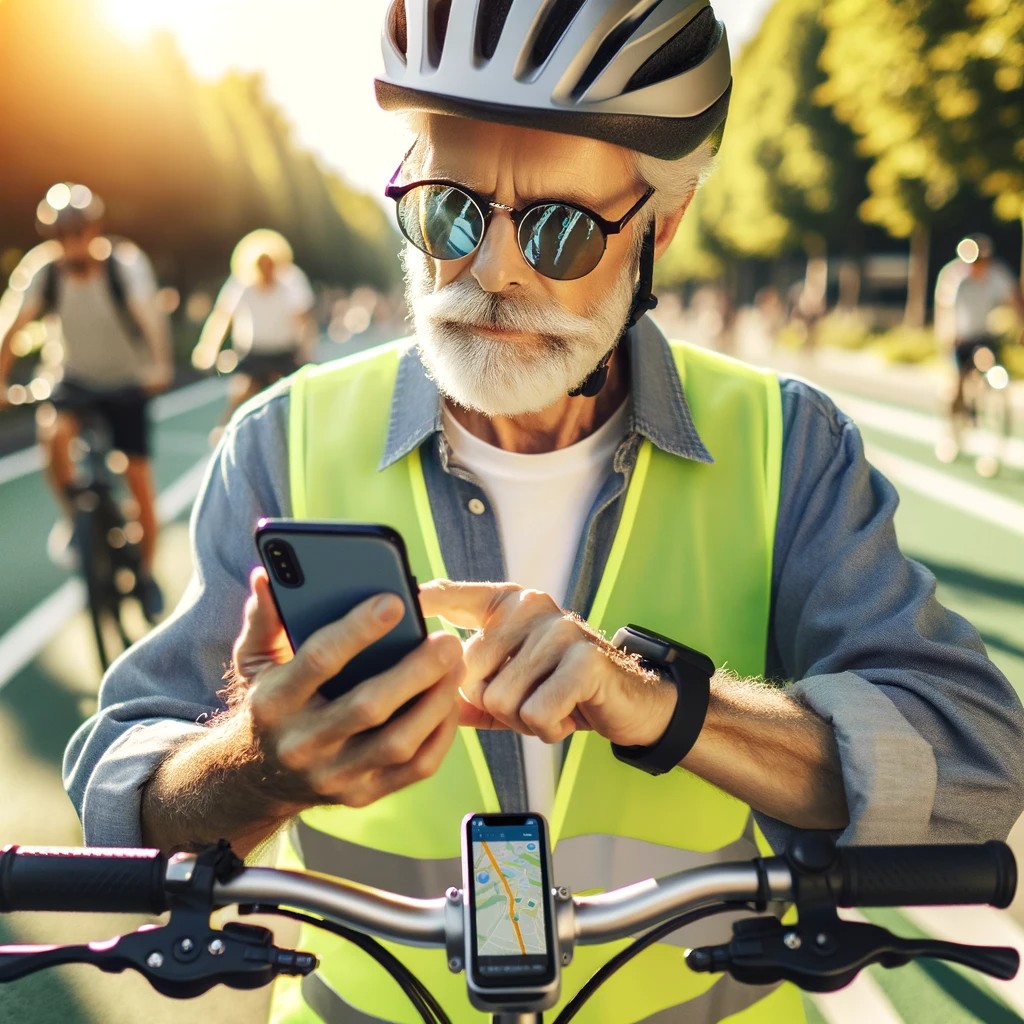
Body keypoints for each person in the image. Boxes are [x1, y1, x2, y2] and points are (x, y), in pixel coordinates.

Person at [64, 3, 1024, 1022]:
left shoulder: (789, 441)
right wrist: (255, 760)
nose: (494, 270)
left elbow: (973, 764)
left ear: (660, 226)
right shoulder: (276, 438)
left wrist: (672, 707)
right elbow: (124, 798)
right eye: (447, 212)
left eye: (561, 228)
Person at [0, 182, 171, 621]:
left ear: (95, 228)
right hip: (73, 378)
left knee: (138, 482)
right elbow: (13, 324)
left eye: (78, 230)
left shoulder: (124, 265)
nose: (71, 240)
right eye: (61, 233)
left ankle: (147, 575)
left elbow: (149, 316)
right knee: (52, 431)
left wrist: (160, 365)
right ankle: (75, 519)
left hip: (127, 381)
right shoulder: (45, 270)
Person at [191, 228, 316, 434]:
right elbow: (222, 317)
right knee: (240, 394)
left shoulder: (291, 281)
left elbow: (304, 320)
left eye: (270, 265)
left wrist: (306, 351)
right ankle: (224, 436)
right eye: (261, 266)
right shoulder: (242, 283)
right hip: (254, 353)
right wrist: (208, 348)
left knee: (297, 398)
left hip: (285, 352)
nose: (266, 271)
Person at [933, 232, 1024, 461]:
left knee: (994, 368)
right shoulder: (955, 277)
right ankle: (952, 430)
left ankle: (994, 401)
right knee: (956, 384)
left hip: (984, 336)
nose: (977, 266)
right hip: (960, 337)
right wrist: (947, 335)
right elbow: (945, 310)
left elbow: (1015, 301)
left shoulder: (997, 275)